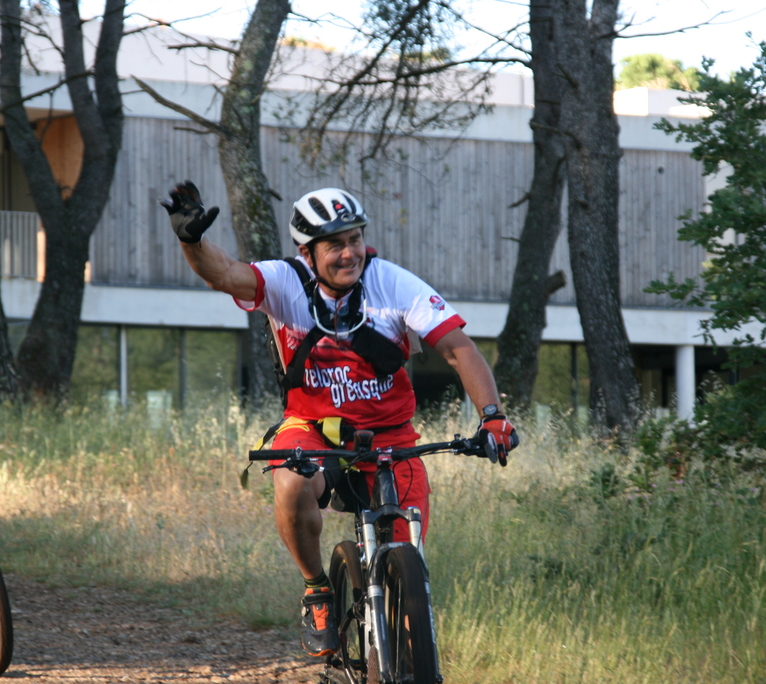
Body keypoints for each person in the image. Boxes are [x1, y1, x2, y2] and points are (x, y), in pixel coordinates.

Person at [160, 181, 517, 657]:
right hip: (312, 428)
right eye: (335, 245)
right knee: (290, 482)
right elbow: (224, 273)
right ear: (307, 253)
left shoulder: (392, 283)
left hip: (390, 436)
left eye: (355, 239)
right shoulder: (284, 281)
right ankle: (317, 590)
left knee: (407, 576)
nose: (350, 253)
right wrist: (192, 241)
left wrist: (492, 416)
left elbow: (458, 349)